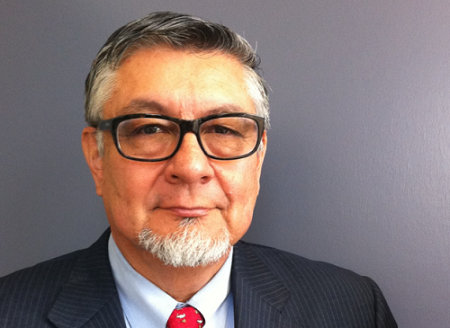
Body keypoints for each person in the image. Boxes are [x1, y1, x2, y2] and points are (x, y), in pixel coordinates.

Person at [0, 11, 397, 327]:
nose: (190, 168)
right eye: (150, 128)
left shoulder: (355, 309)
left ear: (257, 158)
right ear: (97, 157)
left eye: (223, 128)